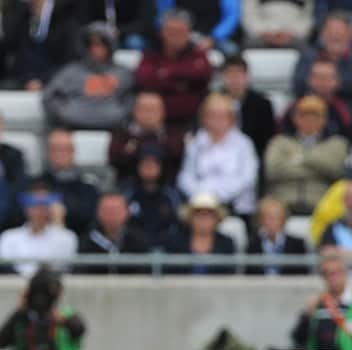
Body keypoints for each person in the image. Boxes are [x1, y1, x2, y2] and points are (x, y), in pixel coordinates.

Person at [177, 93, 259, 227]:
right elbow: (185, 177)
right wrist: (203, 196)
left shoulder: (243, 144)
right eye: (211, 115)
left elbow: (247, 178)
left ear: (231, 118)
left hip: (235, 208)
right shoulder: (196, 142)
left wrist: (215, 196)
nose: (216, 120)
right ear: (204, 118)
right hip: (201, 205)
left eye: (222, 115)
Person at [265, 96, 349, 216]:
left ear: (324, 119)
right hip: (284, 202)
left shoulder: (336, 144)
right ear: (295, 118)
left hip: (320, 202)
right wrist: (317, 168)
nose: (309, 119)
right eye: (303, 115)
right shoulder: (280, 142)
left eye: (315, 115)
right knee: (269, 210)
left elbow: (336, 169)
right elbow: (273, 170)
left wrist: (300, 158)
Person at [42, 22, 134, 131]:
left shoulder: (123, 73)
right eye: (90, 44)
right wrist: (64, 113)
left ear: (110, 46)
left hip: (114, 129)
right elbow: (49, 97)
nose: (94, 49)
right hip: (72, 127)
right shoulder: (70, 72)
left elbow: (132, 98)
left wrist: (120, 113)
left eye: (100, 44)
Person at [134, 9, 213, 130]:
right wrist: (184, 82)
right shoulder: (152, 51)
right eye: (171, 31)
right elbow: (144, 78)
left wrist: (167, 73)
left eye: (180, 31)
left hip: (193, 119)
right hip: (158, 122)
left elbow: (204, 74)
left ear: (188, 32)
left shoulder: (197, 52)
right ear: (162, 32)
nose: (175, 36)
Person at [0, 265, 86, 350]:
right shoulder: (22, 317)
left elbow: (79, 329)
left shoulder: (66, 314)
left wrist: (61, 320)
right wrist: (19, 312)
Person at [0, 181, 78, 277]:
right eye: (33, 203)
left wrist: (58, 221)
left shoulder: (67, 237)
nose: (39, 209)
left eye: (45, 204)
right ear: (25, 207)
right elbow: (5, 272)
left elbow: (63, 268)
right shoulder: (8, 237)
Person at [291, 250, 352, 350]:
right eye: (325, 274)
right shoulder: (318, 303)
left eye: (334, 273)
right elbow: (298, 338)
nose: (330, 278)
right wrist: (307, 315)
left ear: (345, 273)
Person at [108, 91, 185, 185]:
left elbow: (177, 157)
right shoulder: (121, 134)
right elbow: (115, 160)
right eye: (143, 109)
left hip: (167, 186)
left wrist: (134, 148)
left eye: (153, 109)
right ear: (134, 111)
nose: (148, 114)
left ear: (163, 112)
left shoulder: (174, 133)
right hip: (129, 186)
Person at [75, 192, 150, 274]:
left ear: (126, 212)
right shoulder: (87, 240)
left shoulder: (139, 240)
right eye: (106, 210)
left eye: (115, 210)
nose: (111, 215)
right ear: (98, 212)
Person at [165, 192, 237, 274]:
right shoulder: (176, 241)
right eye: (198, 214)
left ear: (217, 218)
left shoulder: (226, 243)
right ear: (190, 218)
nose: (203, 219)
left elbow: (229, 274)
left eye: (209, 214)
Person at [246, 197, 309, 276]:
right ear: (261, 220)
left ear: (283, 220)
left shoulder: (297, 244)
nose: (272, 222)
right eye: (268, 218)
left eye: (276, 218)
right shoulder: (252, 244)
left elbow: (303, 274)